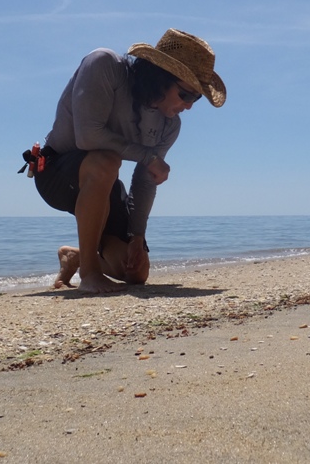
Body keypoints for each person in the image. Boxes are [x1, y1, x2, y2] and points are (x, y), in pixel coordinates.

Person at [29, 28, 226, 293]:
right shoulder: (105, 65)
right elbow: (88, 136)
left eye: (196, 98)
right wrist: (148, 156)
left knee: (135, 272)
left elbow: (146, 179)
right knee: (107, 160)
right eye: (186, 95)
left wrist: (137, 236)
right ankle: (90, 273)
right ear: (160, 78)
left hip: (103, 183)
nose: (189, 106)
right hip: (56, 172)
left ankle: (75, 257)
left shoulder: (170, 125)